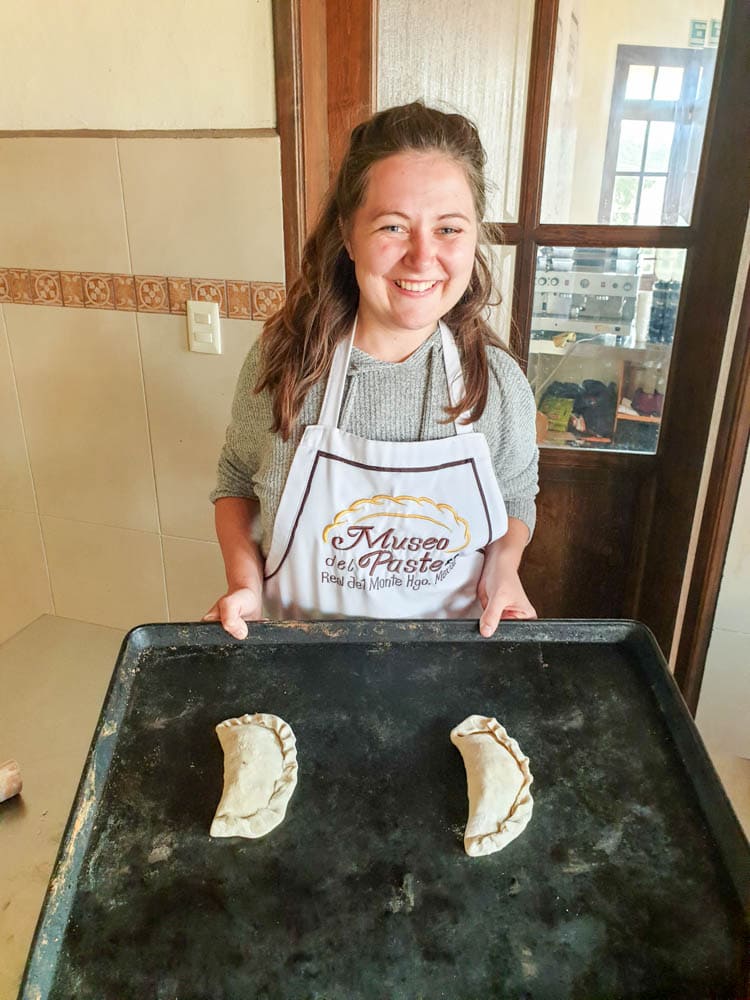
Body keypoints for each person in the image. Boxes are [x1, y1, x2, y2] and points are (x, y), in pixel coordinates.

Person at [203, 101, 538, 640]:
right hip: (299, 654)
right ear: (349, 233)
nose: (423, 257)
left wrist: (505, 569)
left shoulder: (497, 382)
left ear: (475, 235)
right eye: (393, 227)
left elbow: (517, 493)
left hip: (445, 664)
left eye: (449, 228)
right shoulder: (286, 364)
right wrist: (246, 585)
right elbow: (237, 480)